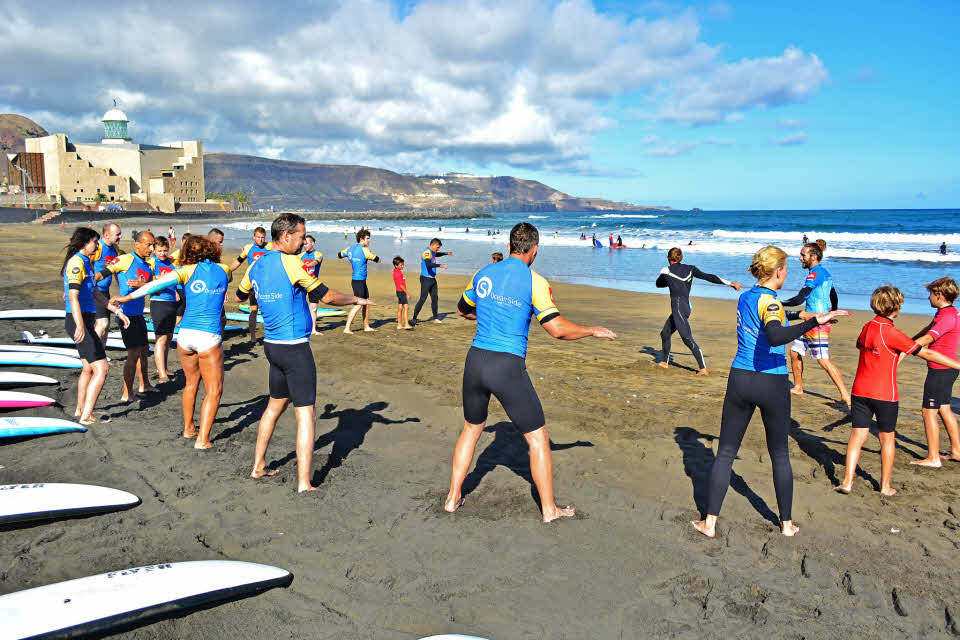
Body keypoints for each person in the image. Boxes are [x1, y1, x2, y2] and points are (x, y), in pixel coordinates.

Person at [447, 223, 617, 522]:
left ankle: (452, 498)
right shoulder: (534, 281)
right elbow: (556, 329)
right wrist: (592, 330)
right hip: (506, 366)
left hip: (475, 361)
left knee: (471, 428)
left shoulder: (484, 272)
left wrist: (489, 314)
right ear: (535, 249)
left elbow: (462, 310)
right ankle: (550, 510)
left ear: (511, 243)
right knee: (538, 438)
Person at [692, 246, 849, 538]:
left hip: (740, 379)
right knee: (779, 454)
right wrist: (813, 321)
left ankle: (709, 523)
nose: (787, 273)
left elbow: (766, 313)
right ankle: (786, 524)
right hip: (771, 382)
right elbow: (775, 334)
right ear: (778, 272)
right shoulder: (771, 303)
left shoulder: (746, 297)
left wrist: (798, 313)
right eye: (785, 269)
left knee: (725, 452)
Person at [237, 213, 374, 492]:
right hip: (294, 350)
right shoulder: (291, 263)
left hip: (272, 346)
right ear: (286, 236)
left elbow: (239, 295)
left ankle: (258, 465)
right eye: (300, 237)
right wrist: (356, 299)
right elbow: (326, 296)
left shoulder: (256, 264)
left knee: (274, 405)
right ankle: (303, 483)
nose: (303, 242)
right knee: (306, 415)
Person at [835, 286, 960, 496]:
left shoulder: (867, 326)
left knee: (857, 435)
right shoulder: (892, 333)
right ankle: (885, 487)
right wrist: (957, 365)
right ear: (897, 307)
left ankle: (847, 482)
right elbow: (927, 354)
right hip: (885, 394)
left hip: (859, 391)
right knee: (887, 438)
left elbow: (861, 346)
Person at [113, 236, 232, 449]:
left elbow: (154, 285)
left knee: (190, 384)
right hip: (208, 336)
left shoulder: (184, 271)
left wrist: (127, 298)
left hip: (185, 335)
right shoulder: (224, 269)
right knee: (214, 390)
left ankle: (188, 429)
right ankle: (202, 440)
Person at [63, 227, 129, 425]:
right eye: (94, 242)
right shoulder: (76, 262)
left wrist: (115, 310)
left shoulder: (87, 263)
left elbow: (95, 294)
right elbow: (73, 297)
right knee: (102, 368)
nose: (97, 245)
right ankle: (87, 416)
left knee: (87, 369)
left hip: (86, 318)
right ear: (85, 242)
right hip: (79, 320)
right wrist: (80, 326)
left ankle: (80, 410)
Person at [781, 242, 851, 406]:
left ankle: (846, 395)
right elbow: (833, 294)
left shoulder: (814, 275)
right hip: (812, 320)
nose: (800, 258)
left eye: (803, 255)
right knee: (795, 352)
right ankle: (798, 387)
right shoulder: (825, 272)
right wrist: (832, 312)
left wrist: (777, 302)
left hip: (817, 322)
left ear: (813, 256)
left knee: (823, 360)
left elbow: (800, 298)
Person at [656, 247, 741, 376]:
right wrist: (730, 283)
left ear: (668, 258)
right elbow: (709, 277)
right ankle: (664, 362)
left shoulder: (666, 270)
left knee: (687, 338)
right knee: (665, 333)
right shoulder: (691, 268)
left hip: (678, 309)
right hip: (686, 307)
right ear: (681, 258)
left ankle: (703, 368)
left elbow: (658, 284)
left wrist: (668, 280)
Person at [96, 231, 157, 401]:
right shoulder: (126, 259)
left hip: (138, 314)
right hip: (126, 314)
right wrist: (86, 286)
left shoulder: (148, 265)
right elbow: (103, 273)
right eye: (148, 244)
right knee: (133, 353)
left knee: (144, 350)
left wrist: (142, 284)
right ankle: (127, 393)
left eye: (153, 245)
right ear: (137, 244)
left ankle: (144, 384)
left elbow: (153, 288)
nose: (151, 248)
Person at [909, 277, 960, 467]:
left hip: (940, 371)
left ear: (939, 295)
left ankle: (933, 458)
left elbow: (930, 337)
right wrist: (909, 341)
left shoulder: (947, 317)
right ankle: (957, 451)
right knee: (944, 409)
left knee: (928, 412)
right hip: (947, 370)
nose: (929, 297)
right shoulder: (948, 312)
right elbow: (928, 329)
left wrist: (907, 349)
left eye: (931, 294)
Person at [228, 226, 273, 343]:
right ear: (254, 237)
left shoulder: (270, 247)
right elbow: (238, 261)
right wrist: (226, 271)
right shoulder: (248, 248)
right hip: (253, 284)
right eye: (258, 237)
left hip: (267, 283)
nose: (261, 240)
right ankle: (253, 336)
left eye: (263, 237)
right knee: (253, 310)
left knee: (268, 310)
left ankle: (270, 334)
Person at [338, 228, 380, 333]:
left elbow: (338, 255)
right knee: (359, 304)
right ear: (361, 239)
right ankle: (347, 328)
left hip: (359, 281)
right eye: (368, 238)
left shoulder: (350, 249)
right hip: (359, 281)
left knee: (366, 303)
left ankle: (366, 326)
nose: (369, 241)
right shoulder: (365, 250)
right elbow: (378, 260)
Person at [149, 236, 177, 382]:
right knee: (161, 338)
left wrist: (177, 292)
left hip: (172, 302)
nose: (162, 254)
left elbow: (176, 280)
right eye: (159, 251)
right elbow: (146, 282)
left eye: (165, 250)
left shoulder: (171, 263)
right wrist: (157, 278)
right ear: (154, 250)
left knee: (169, 337)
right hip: (158, 302)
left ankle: (165, 368)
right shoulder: (151, 263)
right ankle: (161, 374)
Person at [92, 222, 122, 342]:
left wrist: (122, 290)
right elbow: (84, 267)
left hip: (105, 292)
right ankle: (94, 355)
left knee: (106, 325)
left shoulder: (115, 249)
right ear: (107, 235)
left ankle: (101, 356)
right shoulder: (96, 247)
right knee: (102, 323)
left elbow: (116, 270)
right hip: (94, 291)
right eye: (117, 234)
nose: (120, 237)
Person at [412, 238, 451, 325]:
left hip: (432, 279)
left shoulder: (432, 252)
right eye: (437, 247)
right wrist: (440, 265)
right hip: (425, 279)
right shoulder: (427, 252)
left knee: (435, 299)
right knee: (423, 299)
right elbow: (428, 264)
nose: (438, 249)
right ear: (433, 245)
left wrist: (445, 253)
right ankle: (414, 318)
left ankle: (435, 318)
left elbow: (436, 255)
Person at [300, 234, 324, 336]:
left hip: (313, 285)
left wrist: (305, 265)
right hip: (302, 284)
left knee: (313, 308)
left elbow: (315, 262)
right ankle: (301, 326)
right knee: (300, 306)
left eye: (307, 243)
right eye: (304, 244)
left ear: (312, 243)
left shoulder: (318, 254)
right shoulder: (300, 255)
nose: (305, 245)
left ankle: (313, 329)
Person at [393, 256, 412, 329]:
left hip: (398, 292)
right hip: (401, 292)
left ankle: (399, 325)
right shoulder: (398, 273)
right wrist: (407, 293)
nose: (403, 266)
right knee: (406, 307)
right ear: (396, 265)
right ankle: (406, 324)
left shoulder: (396, 271)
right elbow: (401, 285)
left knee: (400, 308)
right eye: (401, 265)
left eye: (403, 265)